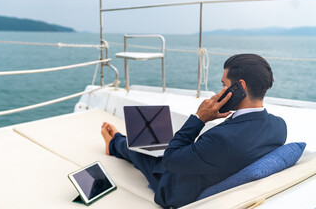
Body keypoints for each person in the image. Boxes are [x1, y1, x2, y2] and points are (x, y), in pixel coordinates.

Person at [101, 54, 287, 208]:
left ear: (241, 87)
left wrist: (200, 118)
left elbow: (169, 159)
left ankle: (115, 142)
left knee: (144, 154)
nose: (220, 90)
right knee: (153, 144)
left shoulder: (221, 140)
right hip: (204, 162)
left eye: (224, 84)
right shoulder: (279, 127)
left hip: (174, 186)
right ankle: (119, 140)